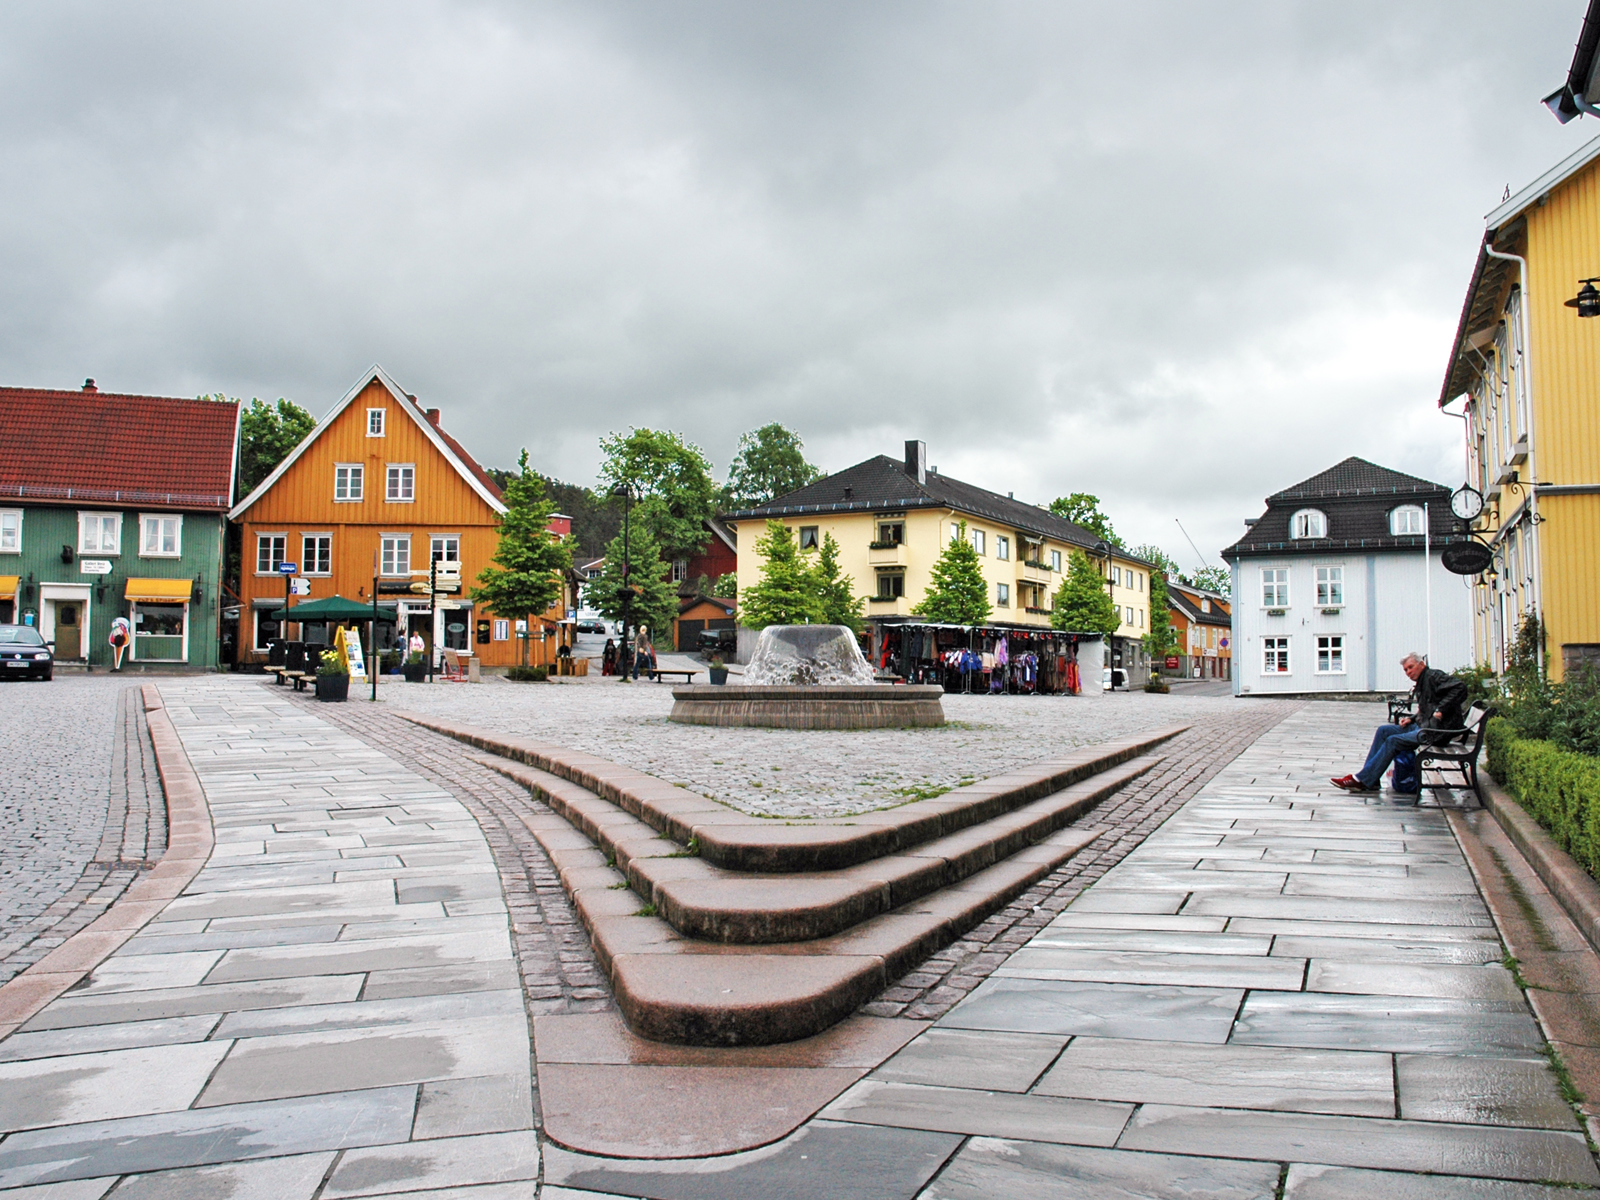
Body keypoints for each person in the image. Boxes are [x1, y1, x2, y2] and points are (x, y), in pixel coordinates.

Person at [1331, 652, 1468, 794]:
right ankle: (1371, 781)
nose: (1408, 672)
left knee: (1393, 741)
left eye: (1411, 667)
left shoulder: (1433, 676)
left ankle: (1362, 780)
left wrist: (1441, 710)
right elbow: (1428, 708)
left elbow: (1460, 688)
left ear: (1421, 664)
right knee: (1384, 731)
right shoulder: (1422, 681)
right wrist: (1412, 718)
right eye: (1405, 670)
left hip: (1437, 732)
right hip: (1425, 727)